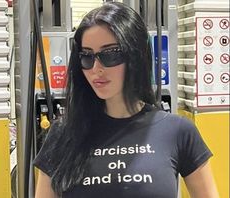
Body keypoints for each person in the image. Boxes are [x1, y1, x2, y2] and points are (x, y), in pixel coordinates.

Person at [34, 2, 219, 198]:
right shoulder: (63, 134)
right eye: (87, 56)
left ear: (136, 55)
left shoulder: (178, 131)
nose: (96, 68)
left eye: (110, 54)